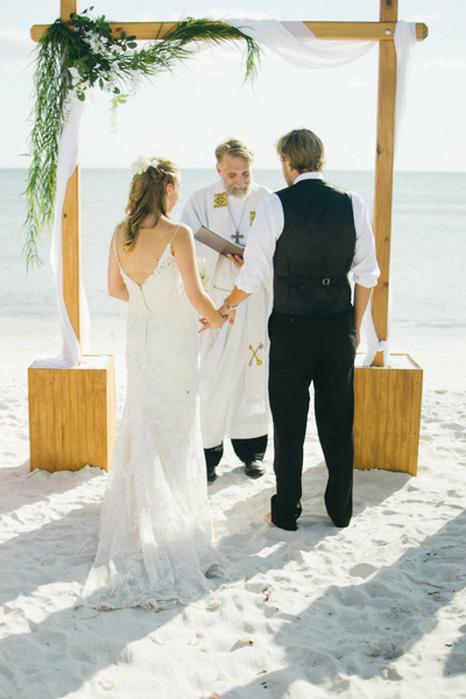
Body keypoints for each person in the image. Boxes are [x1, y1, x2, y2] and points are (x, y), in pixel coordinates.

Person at [79, 157, 227, 610]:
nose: (179, 197)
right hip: (173, 340)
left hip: (140, 337)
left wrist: (147, 299)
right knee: (176, 427)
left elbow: (115, 289)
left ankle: (139, 512)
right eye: (176, 188)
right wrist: (219, 318)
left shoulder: (120, 233)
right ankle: (171, 523)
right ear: (165, 189)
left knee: (142, 416)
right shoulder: (178, 234)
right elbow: (196, 295)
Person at [215, 129, 380, 531]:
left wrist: (225, 306)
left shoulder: (275, 204)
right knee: (338, 422)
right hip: (337, 326)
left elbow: (252, 275)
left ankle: (286, 512)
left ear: (289, 162)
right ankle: (340, 511)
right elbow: (368, 274)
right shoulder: (352, 202)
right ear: (319, 160)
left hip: (290, 328)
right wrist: (354, 327)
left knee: (290, 425)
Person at [181, 138, 272, 483]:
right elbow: (187, 245)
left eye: (245, 173)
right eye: (232, 174)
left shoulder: (266, 199)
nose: (239, 180)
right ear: (218, 169)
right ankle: (209, 454)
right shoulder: (202, 200)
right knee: (214, 375)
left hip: (253, 301)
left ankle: (252, 453)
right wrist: (220, 254)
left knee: (254, 373)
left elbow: (281, 245)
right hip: (216, 299)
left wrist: (257, 256)